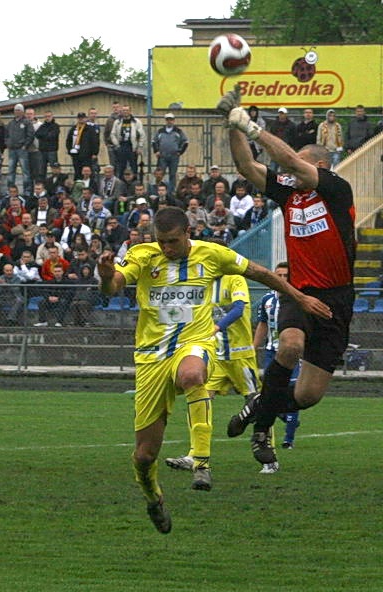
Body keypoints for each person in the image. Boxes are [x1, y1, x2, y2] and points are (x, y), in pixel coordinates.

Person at [96, 206, 331, 534]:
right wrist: (107, 276)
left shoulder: (213, 254)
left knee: (194, 375)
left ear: (188, 233)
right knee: (145, 455)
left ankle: (202, 463)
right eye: (161, 241)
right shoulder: (142, 255)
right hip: (150, 357)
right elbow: (114, 286)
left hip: (195, 343)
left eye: (173, 241)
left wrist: (299, 297)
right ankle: (153, 497)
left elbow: (261, 273)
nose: (166, 248)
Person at [218, 85, 355, 467]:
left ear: (320, 169)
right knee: (290, 346)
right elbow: (247, 168)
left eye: (300, 169)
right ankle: (262, 431)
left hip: (338, 297)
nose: (290, 176)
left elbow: (292, 163)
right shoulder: (290, 194)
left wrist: (251, 127)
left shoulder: (336, 190)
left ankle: (259, 404)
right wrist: (232, 125)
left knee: (310, 395)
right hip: (299, 291)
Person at [165, 271, 272, 483]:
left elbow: (239, 309)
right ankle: (195, 453)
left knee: (256, 402)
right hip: (216, 354)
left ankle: (269, 456)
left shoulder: (235, 279)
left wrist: (216, 327)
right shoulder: (201, 282)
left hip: (239, 354)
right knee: (199, 398)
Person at [253, 262, 302, 452]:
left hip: (293, 354)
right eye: (278, 276)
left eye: (286, 276)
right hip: (272, 352)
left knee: (294, 390)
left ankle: (288, 439)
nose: (282, 279)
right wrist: (254, 347)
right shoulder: (267, 299)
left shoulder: (298, 299)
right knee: (270, 390)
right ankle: (285, 416)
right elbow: (263, 325)